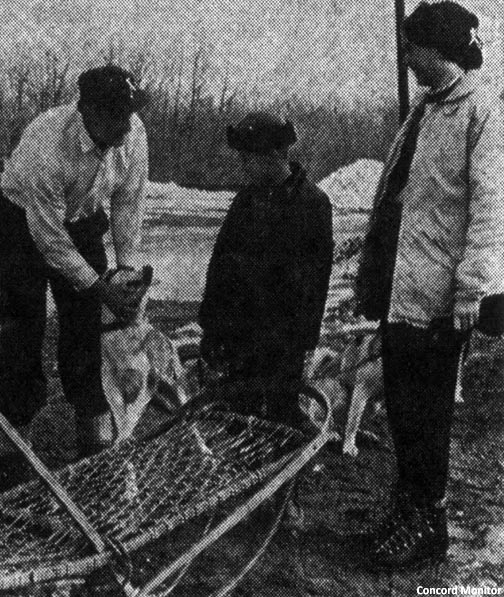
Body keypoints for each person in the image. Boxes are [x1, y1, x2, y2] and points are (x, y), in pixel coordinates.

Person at [355, 1, 504, 571]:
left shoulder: (482, 111)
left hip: (443, 300)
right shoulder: (425, 110)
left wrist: (471, 289)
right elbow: (396, 201)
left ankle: (427, 524)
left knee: (428, 416)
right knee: (402, 411)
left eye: (413, 47)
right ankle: (406, 511)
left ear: (437, 50)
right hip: (404, 291)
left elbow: (491, 208)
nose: (407, 57)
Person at [0, 64, 150, 486]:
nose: (125, 126)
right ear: (85, 110)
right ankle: (10, 457)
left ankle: (94, 449)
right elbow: (49, 240)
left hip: (83, 221)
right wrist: (100, 288)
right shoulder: (48, 143)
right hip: (23, 221)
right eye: (114, 116)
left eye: (128, 114)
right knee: (23, 332)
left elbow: (127, 208)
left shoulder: (133, 134)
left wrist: (126, 275)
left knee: (86, 334)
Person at [198, 112, 334, 431]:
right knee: (236, 416)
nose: (243, 167)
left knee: (279, 417)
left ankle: (284, 473)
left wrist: (304, 342)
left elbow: (316, 283)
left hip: (282, 339)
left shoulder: (312, 204)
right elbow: (221, 264)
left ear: (276, 155)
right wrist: (211, 325)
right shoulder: (246, 199)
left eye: (249, 159)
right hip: (238, 335)